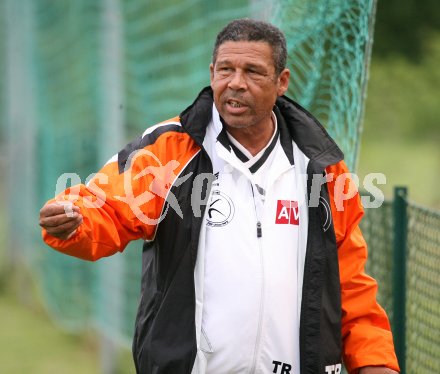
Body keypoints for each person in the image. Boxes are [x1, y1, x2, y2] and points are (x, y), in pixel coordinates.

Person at [40, 19, 399, 374]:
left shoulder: (321, 167)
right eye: (226, 69)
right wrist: (75, 221)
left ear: (282, 82)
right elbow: (107, 206)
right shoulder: (169, 149)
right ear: (212, 73)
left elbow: (348, 281)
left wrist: (375, 361)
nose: (236, 84)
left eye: (253, 72)